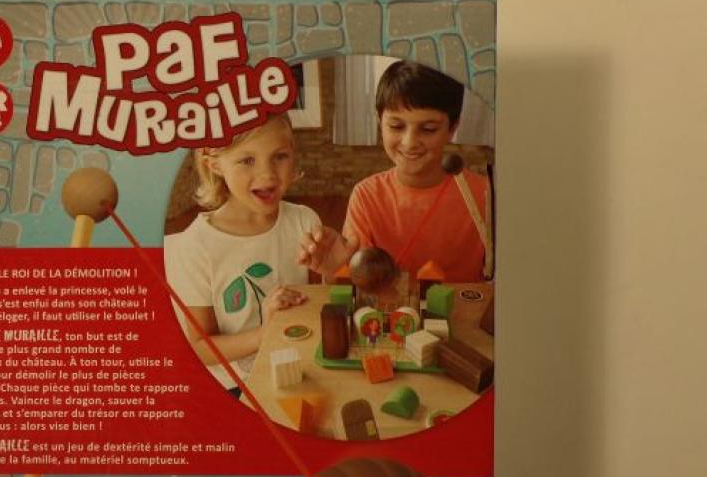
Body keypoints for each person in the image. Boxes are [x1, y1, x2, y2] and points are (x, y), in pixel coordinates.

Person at [298, 60, 489, 283]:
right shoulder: (367, 196)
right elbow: (356, 286)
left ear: (453, 128)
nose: (409, 142)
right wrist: (334, 270)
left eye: (428, 129)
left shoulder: (485, 195)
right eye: (396, 126)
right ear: (380, 121)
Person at [164, 115, 316, 389]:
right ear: (214, 164)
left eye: (279, 156)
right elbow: (200, 348)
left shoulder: (305, 222)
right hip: (236, 387)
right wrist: (264, 334)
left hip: (301, 369)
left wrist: (332, 269)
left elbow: (320, 307)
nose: (267, 174)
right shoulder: (195, 246)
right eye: (247, 160)